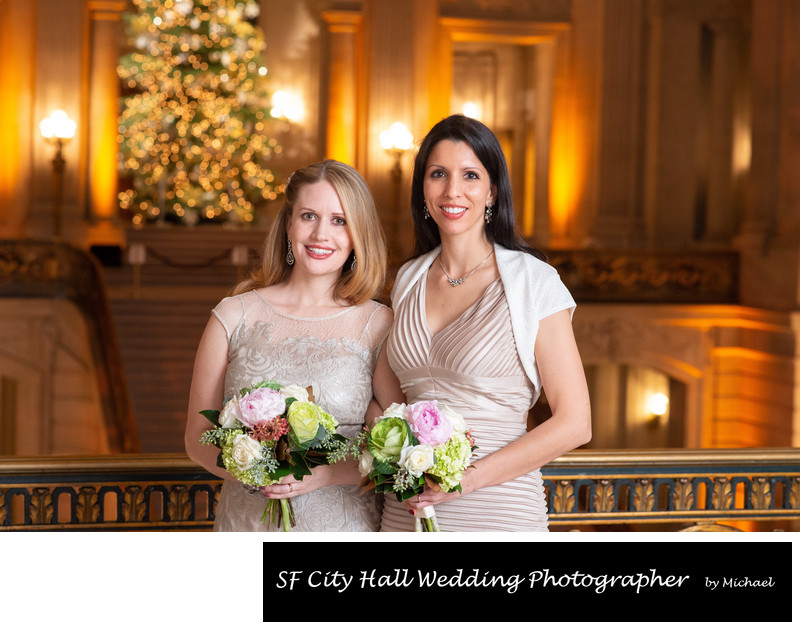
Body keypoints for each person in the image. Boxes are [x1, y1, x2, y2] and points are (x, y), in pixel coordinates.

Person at [380, 114, 592, 532]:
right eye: (437, 174)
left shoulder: (533, 280)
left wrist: (464, 480)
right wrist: (388, 447)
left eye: (470, 175)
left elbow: (575, 423)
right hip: (408, 512)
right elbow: (387, 403)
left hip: (497, 510)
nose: (452, 190)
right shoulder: (406, 279)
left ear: (492, 191)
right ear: (422, 189)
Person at [186, 159, 401, 531]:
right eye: (308, 216)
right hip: (246, 527)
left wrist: (326, 474)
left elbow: (396, 446)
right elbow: (196, 439)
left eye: (339, 220)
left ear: (358, 233)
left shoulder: (379, 324)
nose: (321, 234)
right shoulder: (233, 315)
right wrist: (255, 468)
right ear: (288, 224)